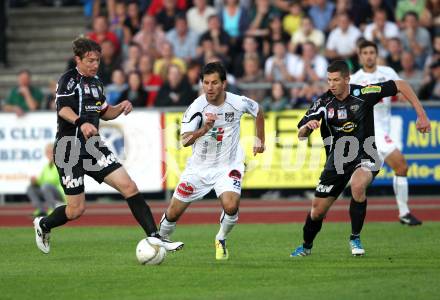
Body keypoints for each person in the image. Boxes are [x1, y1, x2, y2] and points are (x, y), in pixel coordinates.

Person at [33, 37, 183, 254]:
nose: (95, 64)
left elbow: (105, 112)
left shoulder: (96, 83)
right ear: (78, 59)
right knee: (76, 210)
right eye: (90, 60)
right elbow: (63, 110)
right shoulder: (68, 80)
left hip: (93, 146)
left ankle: (155, 235)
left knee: (129, 186)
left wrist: (120, 107)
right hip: (69, 149)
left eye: (98, 60)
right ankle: (43, 225)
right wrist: (81, 122)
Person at [290, 60, 430, 257]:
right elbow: (301, 134)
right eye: (329, 80)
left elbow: (401, 85)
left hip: (366, 154)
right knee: (317, 211)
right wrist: (307, 126)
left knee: (357, 185)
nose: (331, 84)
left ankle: (355, 237)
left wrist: (421, 114)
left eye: (336, 80)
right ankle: (306, 246)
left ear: (347, 79)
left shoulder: (364, 93)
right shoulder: (323, 102)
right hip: (337, 161)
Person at [158, 62, 265, 260]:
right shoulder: (196, 108)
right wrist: (204, 130)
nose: (210, 87)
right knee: (173, 212)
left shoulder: (237, 102)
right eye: (206, 83)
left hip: (228, 166)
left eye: (214, 83)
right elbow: (185, 140)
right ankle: (159, 240)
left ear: (224, 84)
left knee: (231, 205)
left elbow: (258, 111)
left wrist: (260, 140)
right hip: (198, 169)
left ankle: (221, 238)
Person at [351, 40, 423, 225]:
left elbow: (401, 90)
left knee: (367, 179)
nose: (369, 55)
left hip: (384, 128)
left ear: (376, 55)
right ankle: (404, 212)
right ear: (360, 56)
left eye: (371, 52)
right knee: (401, 165)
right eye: (365, 52)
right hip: (369, 131)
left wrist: (411, 106)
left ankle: (402, 213)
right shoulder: (354, 79)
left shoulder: (388, 73)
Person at [27, 143, 65, 217]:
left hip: (60, 194)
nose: (49, 154)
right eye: (47, 152)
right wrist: (35, 181)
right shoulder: (46, 167)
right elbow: (41, 181)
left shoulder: (61, 164)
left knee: (46, 186)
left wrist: (43, 183)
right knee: (31, 188)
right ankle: (41, 210)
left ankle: (52, 208)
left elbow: (56, 181)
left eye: (51, 152)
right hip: (47, 191)